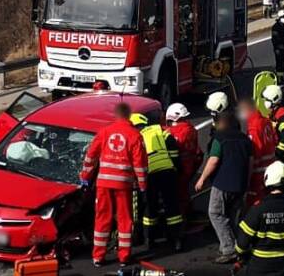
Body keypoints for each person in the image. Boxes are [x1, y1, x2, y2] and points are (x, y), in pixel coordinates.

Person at [79, 102, 148, 266]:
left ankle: (98, 256)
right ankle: (124, 257)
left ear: (116, 115)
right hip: (124, 184)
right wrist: (142, 184)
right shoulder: (135, 135)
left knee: (102, 218)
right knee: (125, 219)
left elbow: (91, 155)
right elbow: (140, 164)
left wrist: (85, 176)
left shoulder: (104, 132)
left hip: (103, 182)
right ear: (129, 116)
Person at [194, 110, 252, 264]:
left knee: (216, 213)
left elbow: (213, 161)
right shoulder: (245, 139)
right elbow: (250, 162)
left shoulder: (219, 138)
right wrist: (247, 182)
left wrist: (202, 179)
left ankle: (228, 249)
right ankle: (241, 246)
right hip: (240, 184)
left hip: (223, 183)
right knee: (235, 215)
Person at [132, 112, 184, 252]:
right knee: (171, 205)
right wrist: (177, 169)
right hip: (167, 172)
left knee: (150, 207)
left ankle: (149, 240)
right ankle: (176, 239)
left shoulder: (136, 137)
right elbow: (173, 150)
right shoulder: (160, 130)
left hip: (149, 175)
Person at [165, 101, 201, 219]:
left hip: (179, 167)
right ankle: (188, 212)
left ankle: (182, 219)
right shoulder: (191, 129)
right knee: (184, 191)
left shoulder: (174, 132)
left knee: (179, 194)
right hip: (189, 164)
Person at [240, 96, 278, 204]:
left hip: (259, 171)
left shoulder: (254, 128)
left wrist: (248, 175)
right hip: (271, 165)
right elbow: (275, 140)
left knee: (255, 200)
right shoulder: (265, 121)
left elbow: (255, 152)